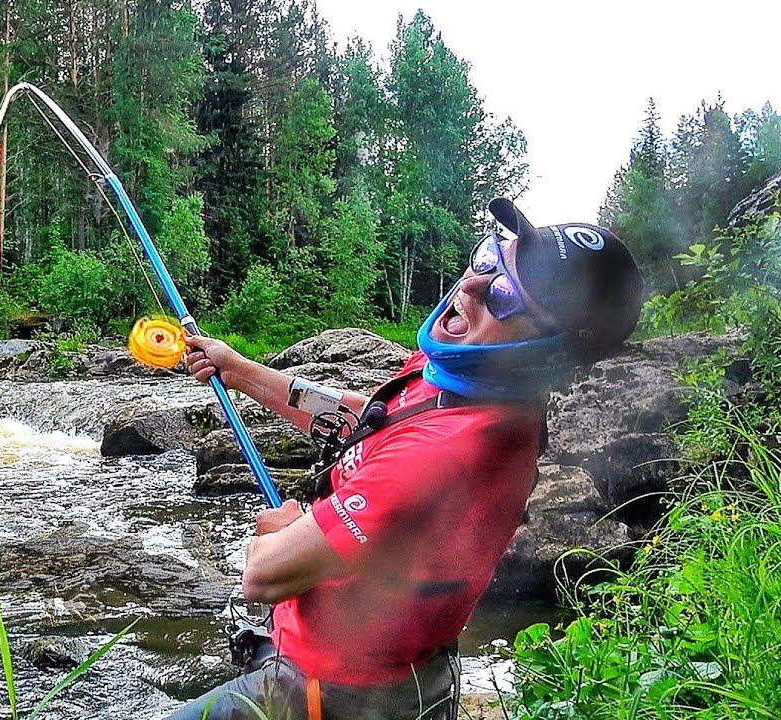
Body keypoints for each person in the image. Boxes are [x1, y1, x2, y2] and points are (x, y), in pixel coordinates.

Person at [166, 198, 644, 720]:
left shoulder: (446, 455)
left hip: (336, 692)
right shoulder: (469, 374)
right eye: (489, 259)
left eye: (504, 295)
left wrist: (288, 527)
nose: (470, 287)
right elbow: (374, 417)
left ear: (551, 350)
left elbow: (264, 574)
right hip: (408, 670)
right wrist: (242, 373)